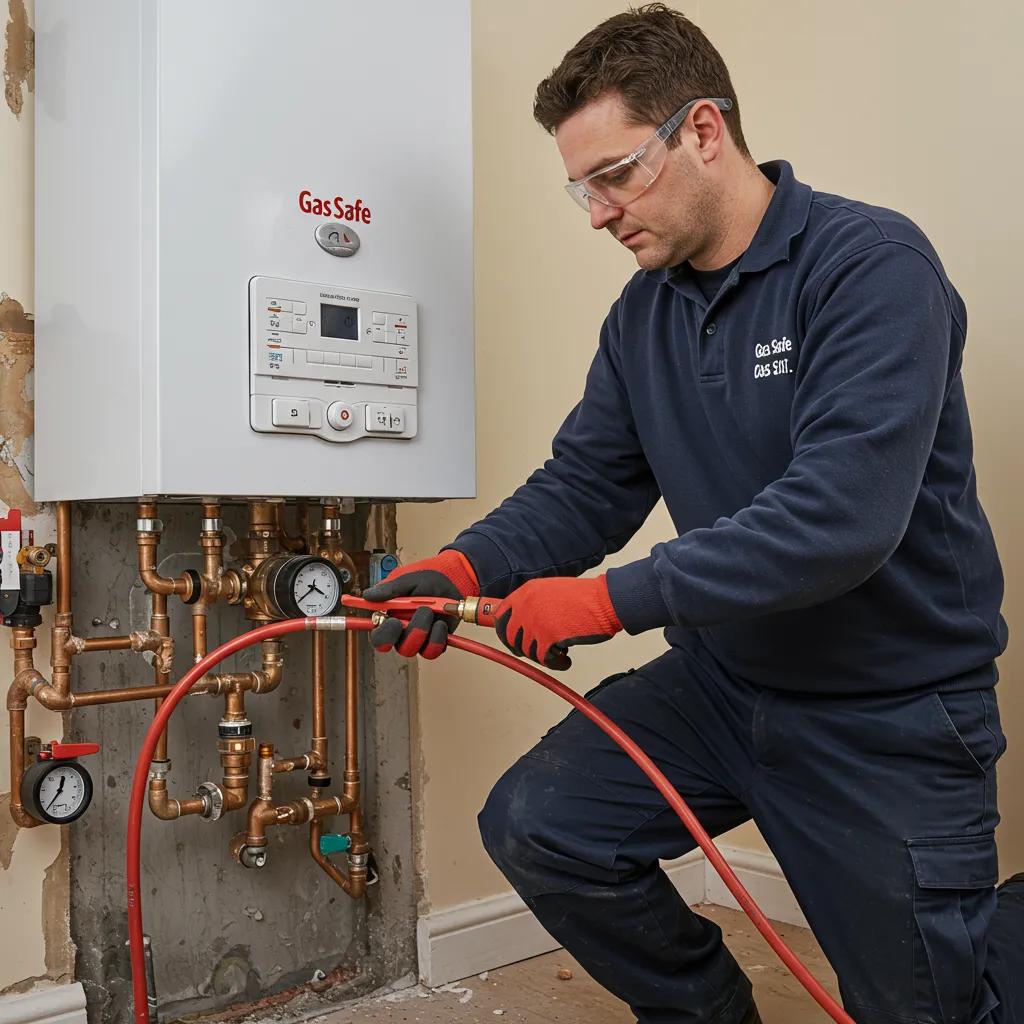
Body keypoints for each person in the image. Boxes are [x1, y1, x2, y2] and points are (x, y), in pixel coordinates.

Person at [363, 6, 1018, 1023]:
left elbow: (839, 517)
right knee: (540, 822)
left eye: (615, 175)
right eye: (581, 188)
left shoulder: (871, 267)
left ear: (703, 130)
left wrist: (604, 602)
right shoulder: (643, 316)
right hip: (723, 685)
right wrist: (465, 567)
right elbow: (586, 484)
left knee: (931, 1007)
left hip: (884, 708)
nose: (597, 213)